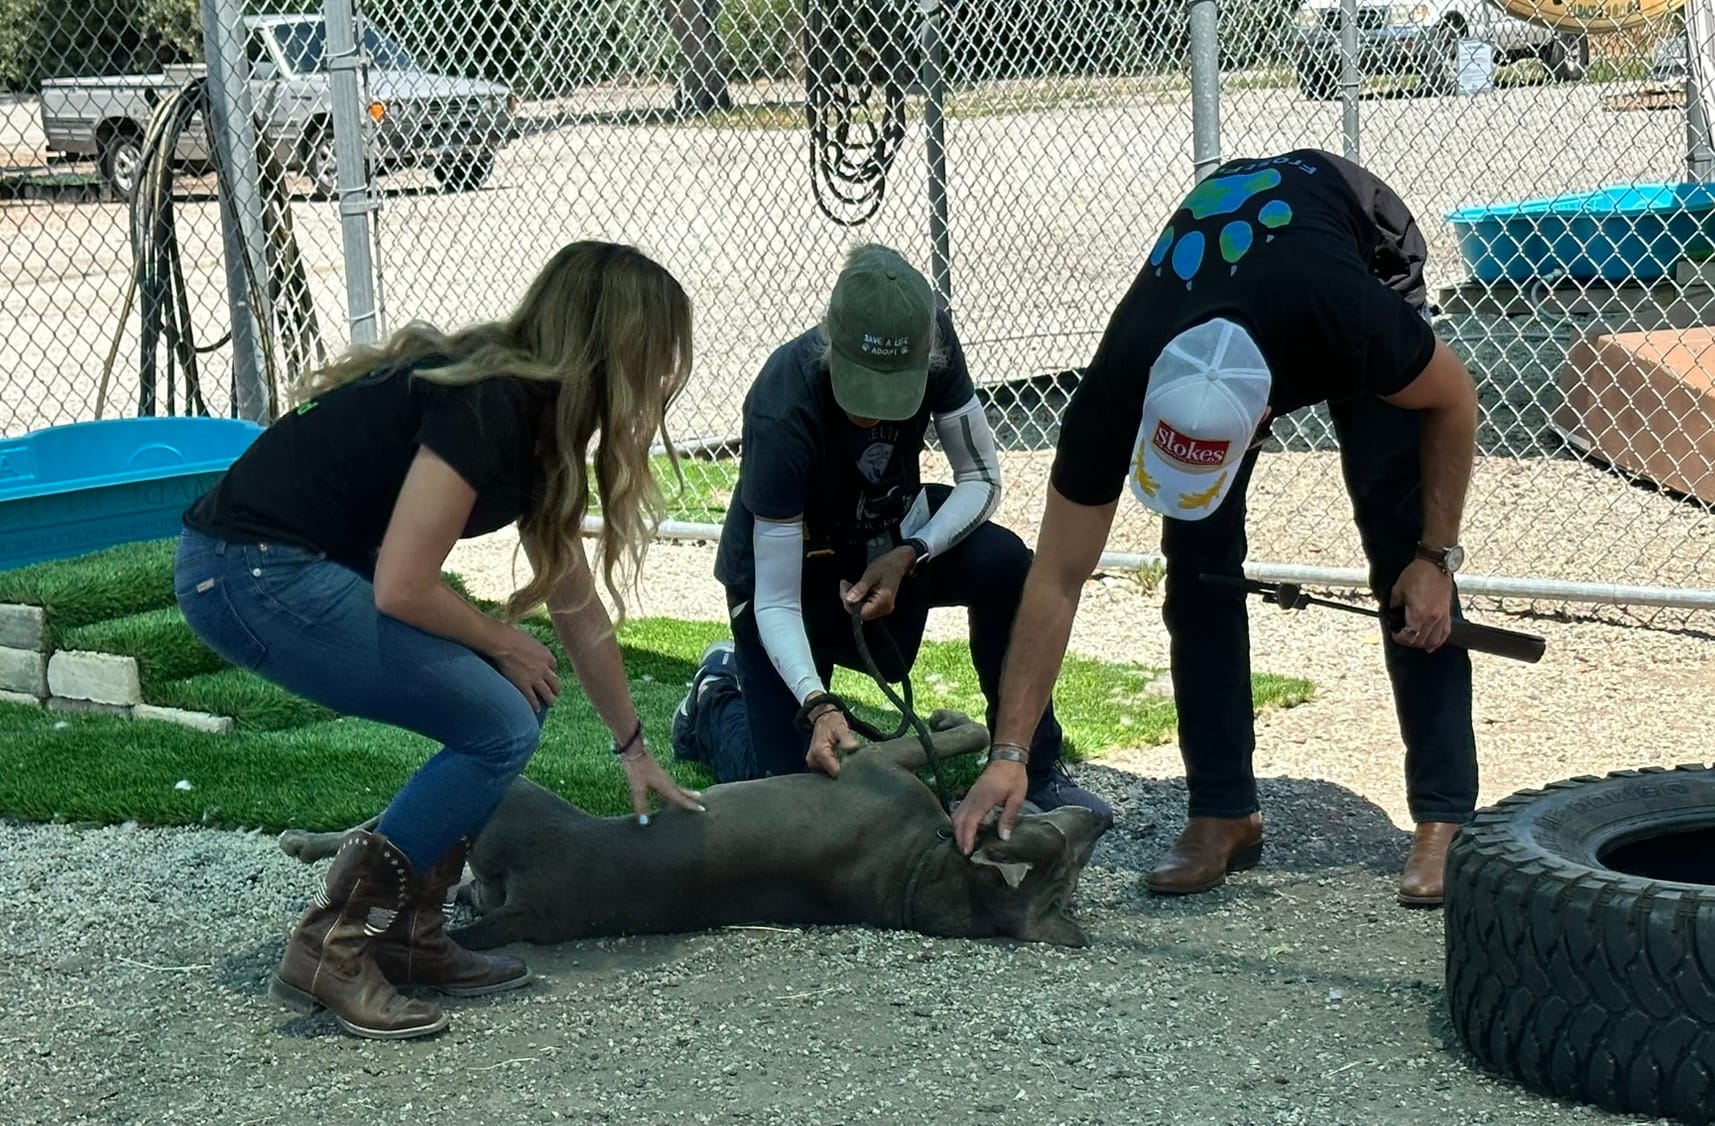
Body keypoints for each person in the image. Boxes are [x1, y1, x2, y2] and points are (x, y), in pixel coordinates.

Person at [173, 240, 707, 1041]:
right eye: (657, 353)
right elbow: (403, 585)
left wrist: (633, 747)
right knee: (498, 721)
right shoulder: (489, 404)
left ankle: (407, 935)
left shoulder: (532, 416)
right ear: (613, 348)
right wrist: (498, 638)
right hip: (247, 573)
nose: (662, 377)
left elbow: (574, 603)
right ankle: (333, 942)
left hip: (277, 567)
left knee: (510, 706)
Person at [951, 149, 1482, 908]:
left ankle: (1444, 815)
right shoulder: (1119, 377)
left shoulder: (1349, 320)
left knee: (1403, 549)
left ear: (1264, 419)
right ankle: (1223, 809)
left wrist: (1436, 556)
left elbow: (1454, 398)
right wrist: (1011, 753)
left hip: (1353, 244)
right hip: (1222, 290)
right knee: (1197, 567)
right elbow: (1057, 577)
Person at [669, 243, 1111, 822]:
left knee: (1004, 561)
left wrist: (912, 552)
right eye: (860, 389)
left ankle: (1037, 766)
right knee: (794, 801)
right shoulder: (782, 401)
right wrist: (818, 703)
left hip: (888, 538)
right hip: (788, 573)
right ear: (828, 341)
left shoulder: (934, 337)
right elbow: (775, 598)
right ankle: (714, 698)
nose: (873, 413)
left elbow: (981, 477)